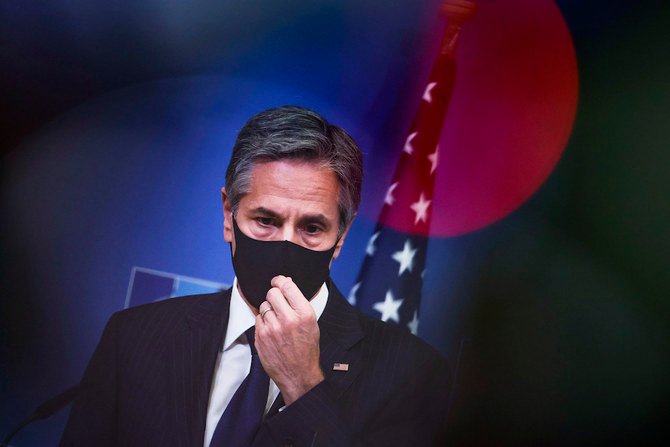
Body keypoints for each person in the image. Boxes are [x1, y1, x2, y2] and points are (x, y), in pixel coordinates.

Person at [60, 105, 451, 446]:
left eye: (312, 228)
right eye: (265, 220)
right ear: (228, 215)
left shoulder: (409, 371)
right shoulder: (134, 339)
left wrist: (304, 386)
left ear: (341, 238)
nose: (285, 244)